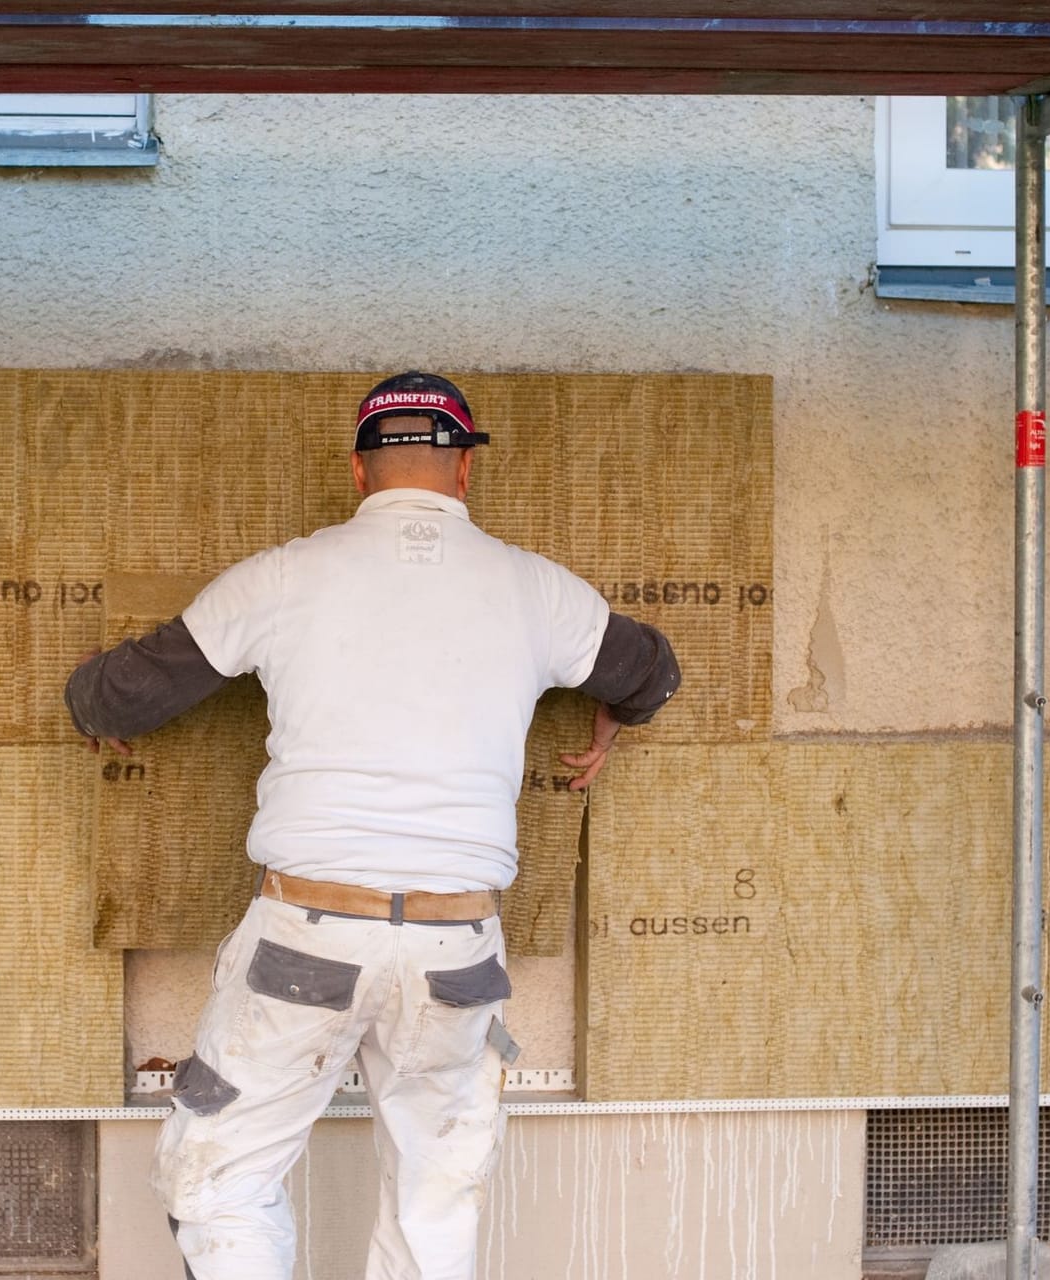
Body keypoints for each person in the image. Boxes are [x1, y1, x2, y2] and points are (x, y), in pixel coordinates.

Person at [63, 371, 680, 1280]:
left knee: (221, 1180)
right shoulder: (536, 591)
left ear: (359, 473)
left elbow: (119, 692)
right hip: (457, 953)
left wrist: (94, 698)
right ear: (465, 472)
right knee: (436, 1198)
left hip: (306, 942)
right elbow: (650, 673)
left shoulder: (283, 576)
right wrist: (610, 723)